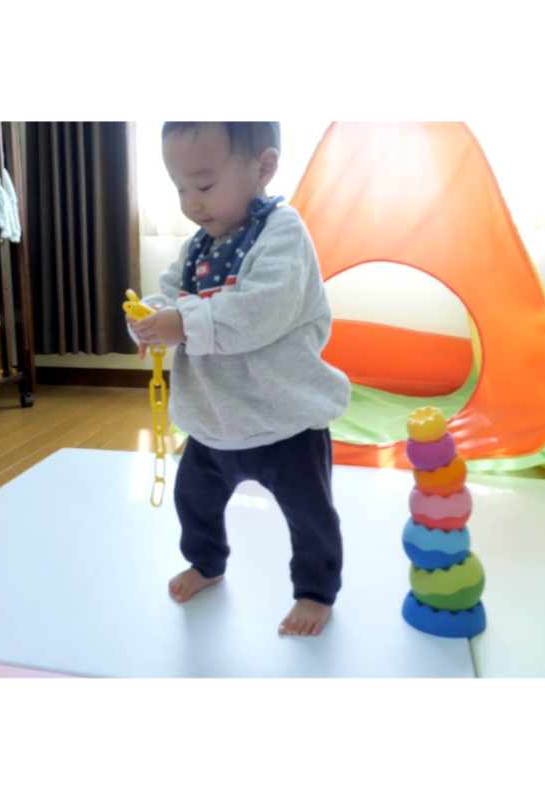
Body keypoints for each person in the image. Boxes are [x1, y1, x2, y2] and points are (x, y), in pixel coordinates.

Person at [128, 122, 350, 636]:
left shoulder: (283, 233)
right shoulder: (198, 246)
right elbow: (170, 294)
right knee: (194, 501)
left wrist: (183, 324)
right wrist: (149, 318)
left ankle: (315, 591)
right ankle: (206, 562)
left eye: (204, 185)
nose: (192, 203)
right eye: (179, 188)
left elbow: (261, 311)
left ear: (264, 168)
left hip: (284, 420)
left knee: (309, 515)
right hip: (214, 419)